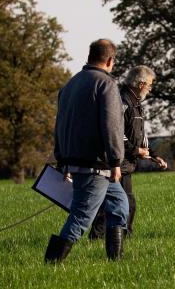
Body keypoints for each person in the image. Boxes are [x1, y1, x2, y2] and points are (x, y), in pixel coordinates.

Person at [44, 39, 129, 263]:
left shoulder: (70, 85)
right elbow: (112, 125)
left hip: (75, 160)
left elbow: (59, 124)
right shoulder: (106, 84)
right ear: (110, 60)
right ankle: (51, 264)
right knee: (81, 217)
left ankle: (115, 262)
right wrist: (115, 161)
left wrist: (62, 160)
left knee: (120, 205)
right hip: (97, 164)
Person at [89, 65, 167, 240]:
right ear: (140, 83)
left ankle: (111, 236)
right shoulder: (122, 102)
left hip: (126, 163)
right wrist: (135, 150)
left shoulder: (137, 104)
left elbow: (141, 134)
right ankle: (110, 237)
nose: (150, 88)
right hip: (116, 162)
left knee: (119, 202)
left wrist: (154, 155)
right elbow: (115, 132)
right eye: (149, 84)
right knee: (121, 203)